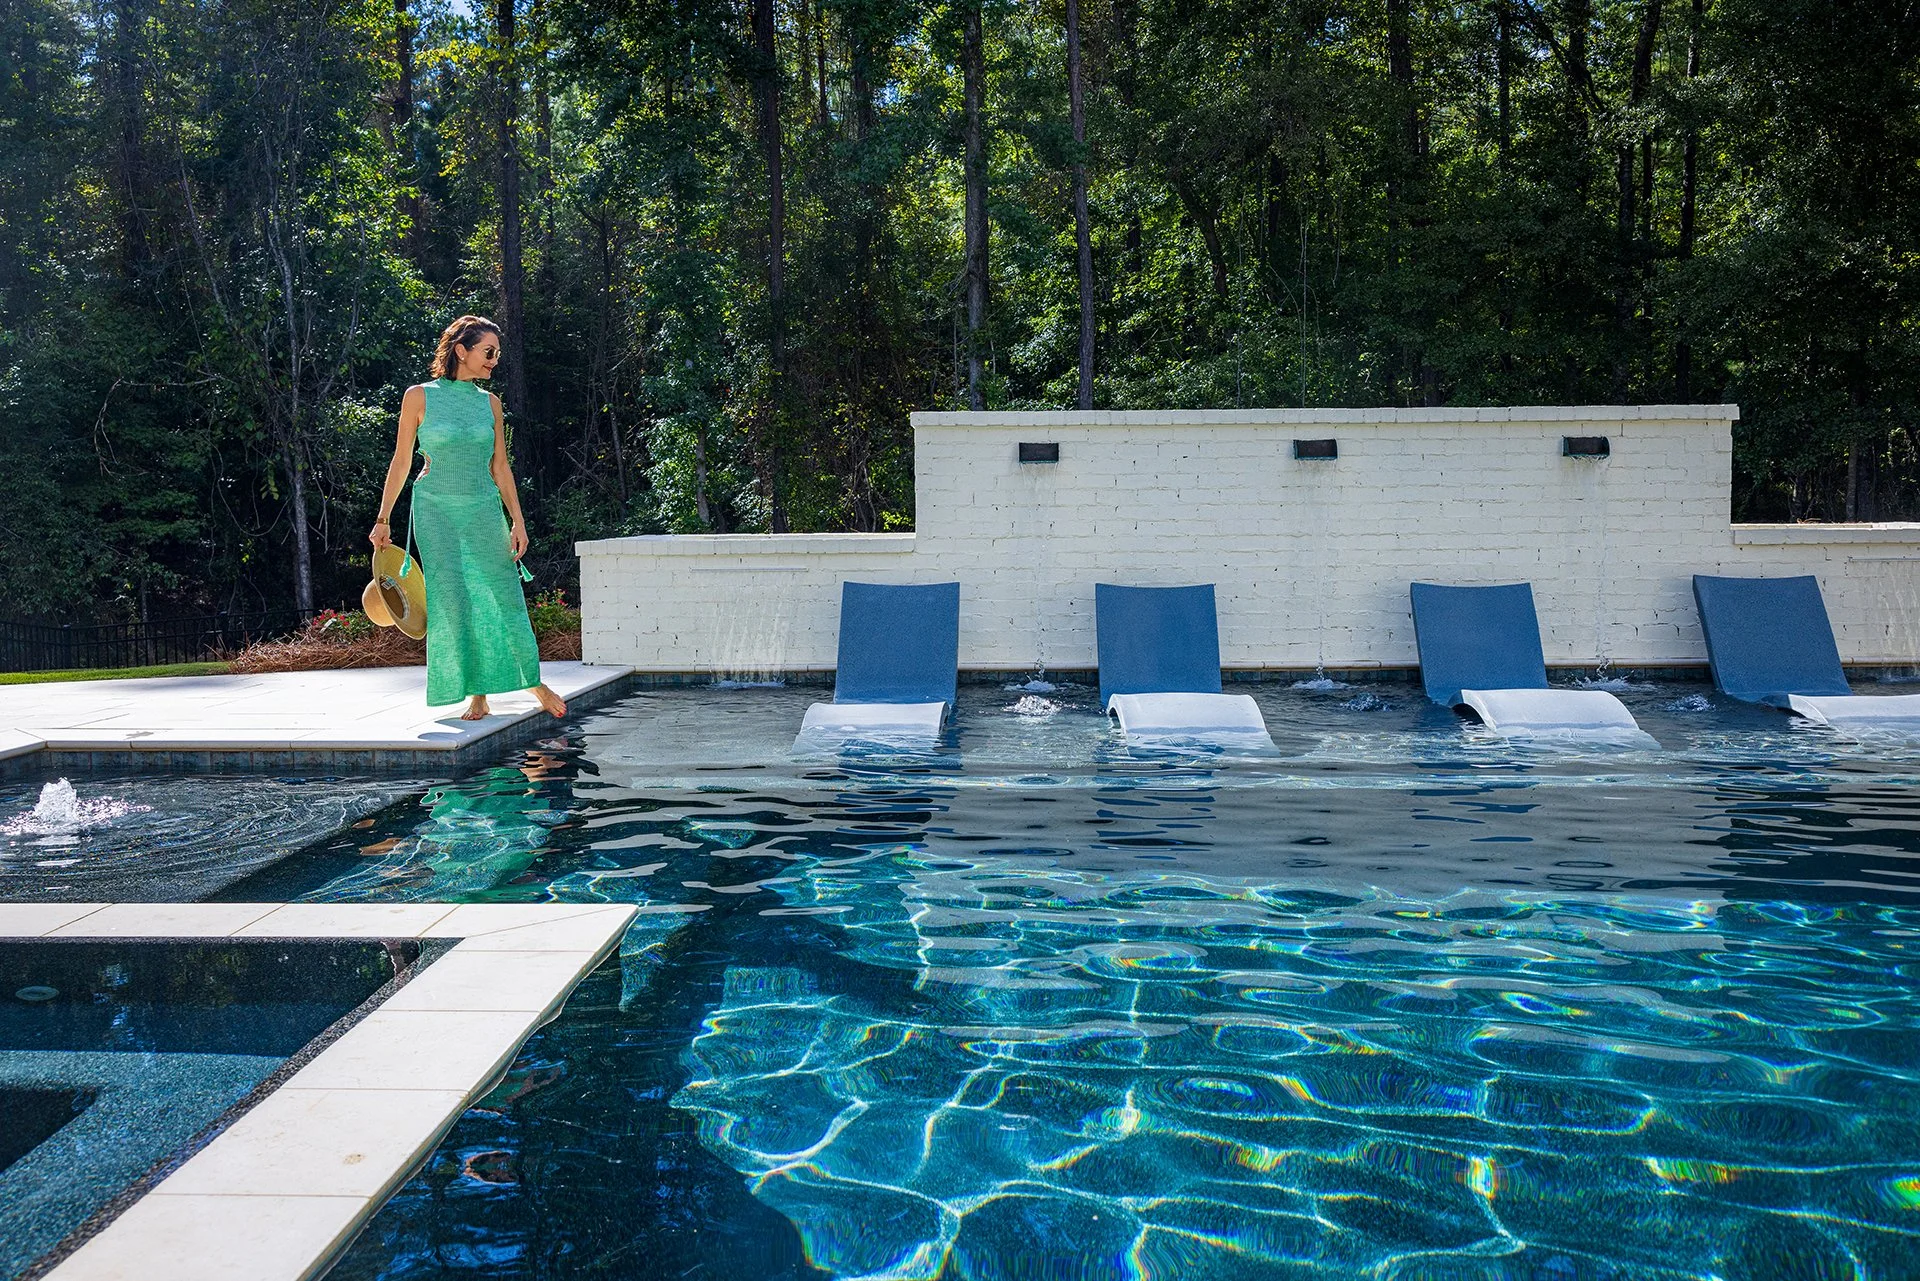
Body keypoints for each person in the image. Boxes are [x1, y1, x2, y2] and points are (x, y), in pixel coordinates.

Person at [370, 315, 567, 722]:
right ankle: (476, 692)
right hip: (434, 508)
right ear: (462, 351)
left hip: (482, 506)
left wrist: (518, 521)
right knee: (453, 600)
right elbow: (402, 459)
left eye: (497, 353)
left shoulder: (489, 403)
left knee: (504, 594)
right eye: (488, 352)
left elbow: (501, 467)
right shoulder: (418, 397)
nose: (495, 360)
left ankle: (533, 681)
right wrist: (384, 517)